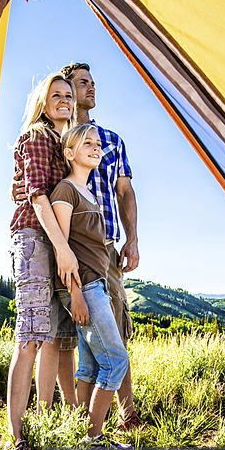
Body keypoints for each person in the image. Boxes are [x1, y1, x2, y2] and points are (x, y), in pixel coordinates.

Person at [56, 61, 142, 429]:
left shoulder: (112, 141)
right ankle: (75, 419)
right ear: (66, 89)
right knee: (67, 335)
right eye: (82, 83)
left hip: (105, 246)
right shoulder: (56, 139)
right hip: (64, 247)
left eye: (93, 82)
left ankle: (126, 413)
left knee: (115, 325)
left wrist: (133, 238)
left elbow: (125, 191)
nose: (91, 88)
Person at [6, 72, 79, 450]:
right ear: (43, 100)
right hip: (35, 239)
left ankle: (44, 431)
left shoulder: (62, 143)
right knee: (31, 338)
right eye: (56, 95)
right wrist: (63, 249)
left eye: (68, 95)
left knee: (51, 338)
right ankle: (17, 444)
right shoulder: (37, 136)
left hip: (54, 242)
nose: (64, 100)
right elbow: (34, 195)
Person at [50, 124, 134, 450]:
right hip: (84, 288)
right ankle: (95, 439)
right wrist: (77, 295)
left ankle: (77, 437)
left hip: (95, 284)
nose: (96, 147)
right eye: (87, 142)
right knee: (115, 360)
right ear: (69, 153)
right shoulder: (65, 192)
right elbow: (64, 249)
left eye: (98, 143)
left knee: (89, 366)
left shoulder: (89, 193)